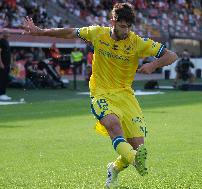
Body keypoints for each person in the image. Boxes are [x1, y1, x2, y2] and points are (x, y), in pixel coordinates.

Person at [22, 2, 178, 188]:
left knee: (137, 147)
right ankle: (134, 158)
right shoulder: (97, 33)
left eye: (129, 26)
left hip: (126, 96)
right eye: (122, 25)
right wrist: (39, 31)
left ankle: (115, 167)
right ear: (112, 21)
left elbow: (171, 55)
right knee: (112, 124)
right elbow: (69, 32)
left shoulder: (137, 42)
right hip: (101, 92)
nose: (126, 30)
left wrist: (153, 65)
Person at [0, 29, 12, 101]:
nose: (9, 34)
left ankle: (3, 93)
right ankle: (1, 94)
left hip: (7, 64)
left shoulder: (6, 41)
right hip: (2, 64)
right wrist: (0, 63)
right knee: (1, 79)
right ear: (4, 33)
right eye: (8, 33)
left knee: (5, 79)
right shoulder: (1, 41)